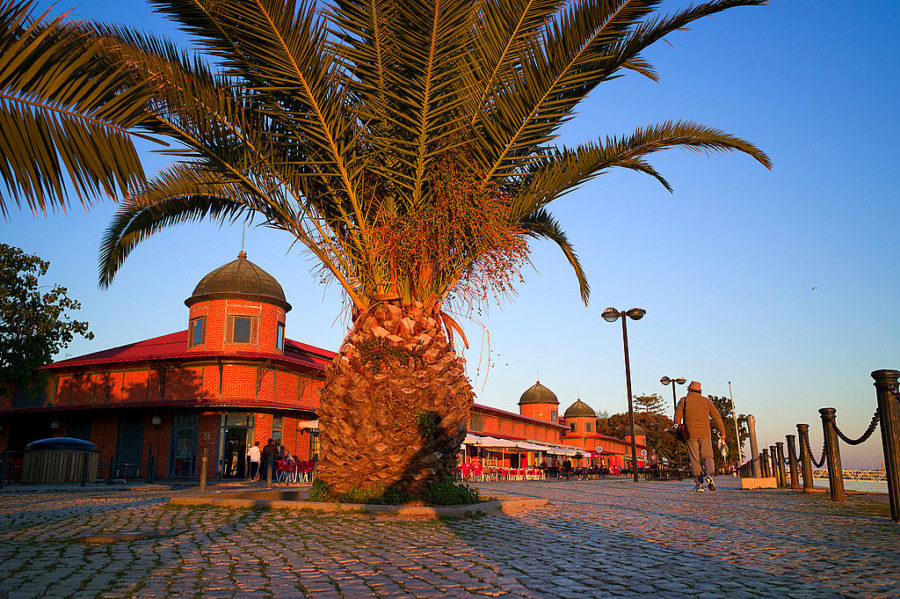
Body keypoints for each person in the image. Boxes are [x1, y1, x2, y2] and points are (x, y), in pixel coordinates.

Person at [674, 380, 727, 493]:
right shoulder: (706, 401)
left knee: (694, 458)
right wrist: (722, 432)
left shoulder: (684, 400)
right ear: (699, 391)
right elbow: (717, 417)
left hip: (690, 434)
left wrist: (677, 426)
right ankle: (709, 474)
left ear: (689, 390)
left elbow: (677, 416)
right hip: (705, 434)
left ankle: (699, 484)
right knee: (708, 456)